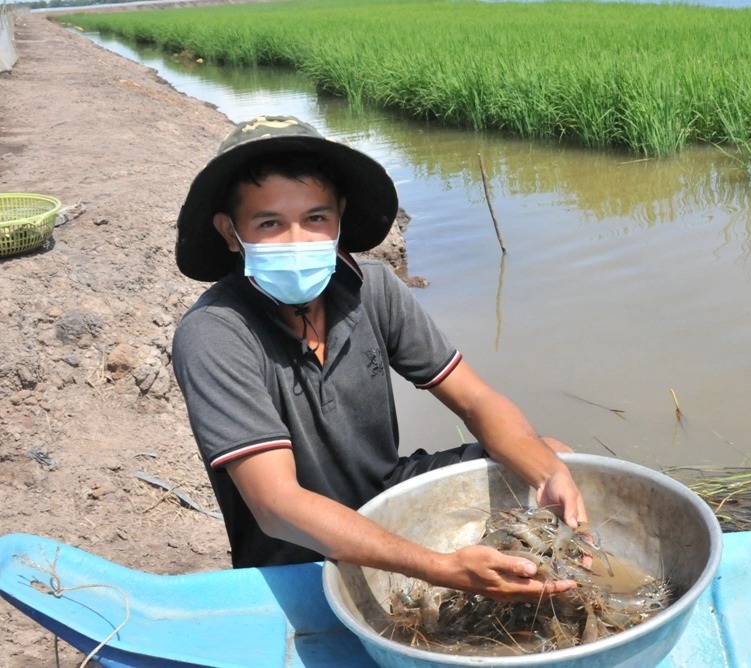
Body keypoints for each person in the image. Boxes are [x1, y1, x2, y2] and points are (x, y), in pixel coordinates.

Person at [171, 115, 588, 602]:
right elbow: (276, 504)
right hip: (296, 549)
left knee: (553, 452)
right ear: (229, 232)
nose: (298, 241)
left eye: (315, 219)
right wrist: (440, 567)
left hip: (386, 493)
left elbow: (474, 399)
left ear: (339, 217)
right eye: (269, 224)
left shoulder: (374, 289)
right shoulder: (215, 334)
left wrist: (547, 474)